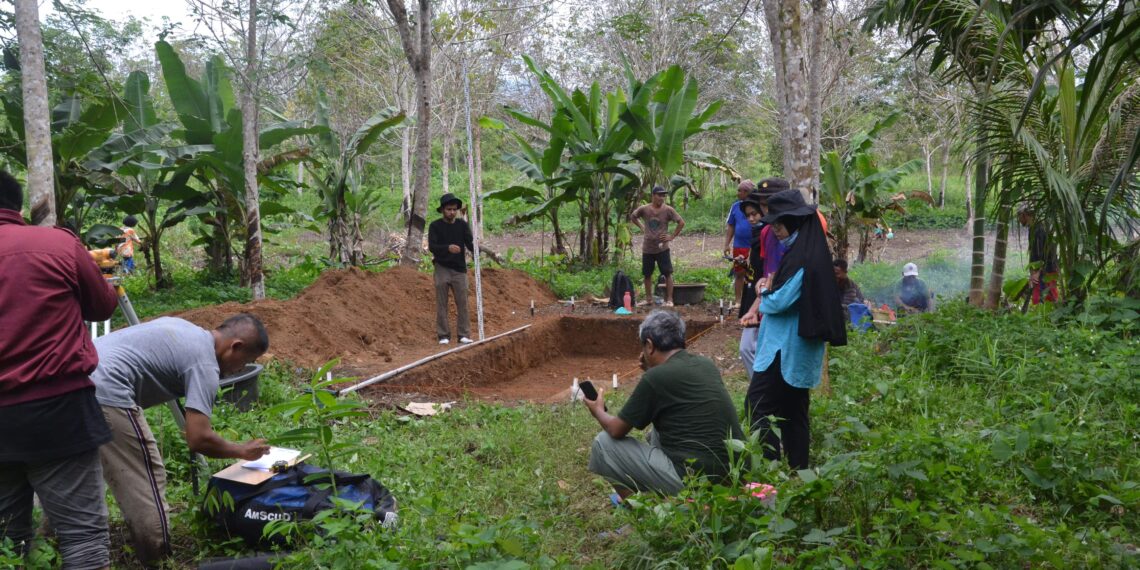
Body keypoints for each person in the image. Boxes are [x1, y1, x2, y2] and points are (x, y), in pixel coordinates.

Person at [0, 170, 119, 570]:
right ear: (15, 205)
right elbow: (102, 306)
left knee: (6, 541)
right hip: (59, 412)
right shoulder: (57, 244)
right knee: (83, 539)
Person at [91, 314, 271, 566]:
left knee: (75, 471)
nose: (241, 369)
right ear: (236, 346)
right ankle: (158, 560)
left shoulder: (186, 329)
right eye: (246, 361)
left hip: (70, 378)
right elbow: (198, 439)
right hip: (106, 389)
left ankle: (48, 542)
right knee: (146, 480)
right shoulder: (205, 363)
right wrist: (241, 451)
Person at [581, 310, 743, 499]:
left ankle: (636, 509)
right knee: (657, 429)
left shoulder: (655, 378)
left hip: (694, 481)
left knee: (603, 444)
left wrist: (598, 411)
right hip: (735, 474)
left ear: (649, 345)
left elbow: (616, 430)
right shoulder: (705, 364)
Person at [740, 189, 846, 469]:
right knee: (792, 409)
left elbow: (779, 301)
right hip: (793, 346)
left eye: (779, 223)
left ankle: (771, 468)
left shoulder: (803, 258)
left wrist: (763, 291)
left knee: (758, 405)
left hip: (784, 348)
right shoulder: (805, 252)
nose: (774, 229)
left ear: (794, 221)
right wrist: (769, 289)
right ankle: (798, 471)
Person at [739, 178, 790, 371]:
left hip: (785, 307)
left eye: (769, 204)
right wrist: (753, 310)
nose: (766, 209)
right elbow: (768, 276)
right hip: (766, 303)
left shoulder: (798, 234)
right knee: (748, 349)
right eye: (763, 204)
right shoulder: (766, 233)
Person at [428, 193, 475, 345]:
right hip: (441, 267)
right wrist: (447, 248)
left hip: (459, 269)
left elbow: (469, 243)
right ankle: (443, 335)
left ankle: (463, 334)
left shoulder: (462, 225)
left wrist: (477, 250)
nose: (452, 212)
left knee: (463, 303)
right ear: (442, 210)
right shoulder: (435, 226)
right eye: (449, 209)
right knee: (442, 303)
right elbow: (432, 247)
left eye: (455, 209)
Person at [630, 185, 685, 307]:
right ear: (653, 196)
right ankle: (649, 299)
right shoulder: (644, 209)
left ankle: (669, 300)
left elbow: (681, 222)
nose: (662, 198)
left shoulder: (668, 210)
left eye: (663, 195)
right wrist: (642, 227)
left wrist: (671, 236)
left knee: (667, 273)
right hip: (648, 248)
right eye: (659, 195)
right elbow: (633, 216)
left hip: (662, 248)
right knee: (647, 274)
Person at [724, 179, 757, 309]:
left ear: (747, 192)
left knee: (753, 273)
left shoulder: (757, 205)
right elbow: (731, 226)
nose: (737, 193)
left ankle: (752, 301)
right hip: (739, 245)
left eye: (740, 191)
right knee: (739, 273)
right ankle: (738, 300)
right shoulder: (735, 206)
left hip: (754, 245)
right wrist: (726, 244)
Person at [1017, 206, 1060, 304]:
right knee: (1038, 300)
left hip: (1047, 270)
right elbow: (1034, 253)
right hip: (1040, 271)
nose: (1019, 220)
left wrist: (1038, 272)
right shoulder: (1033, 229)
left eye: (1019, 216)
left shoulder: (1040, 229)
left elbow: (1044, 254)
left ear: (1025, 215)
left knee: (1048, 299)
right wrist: (1033, 272)